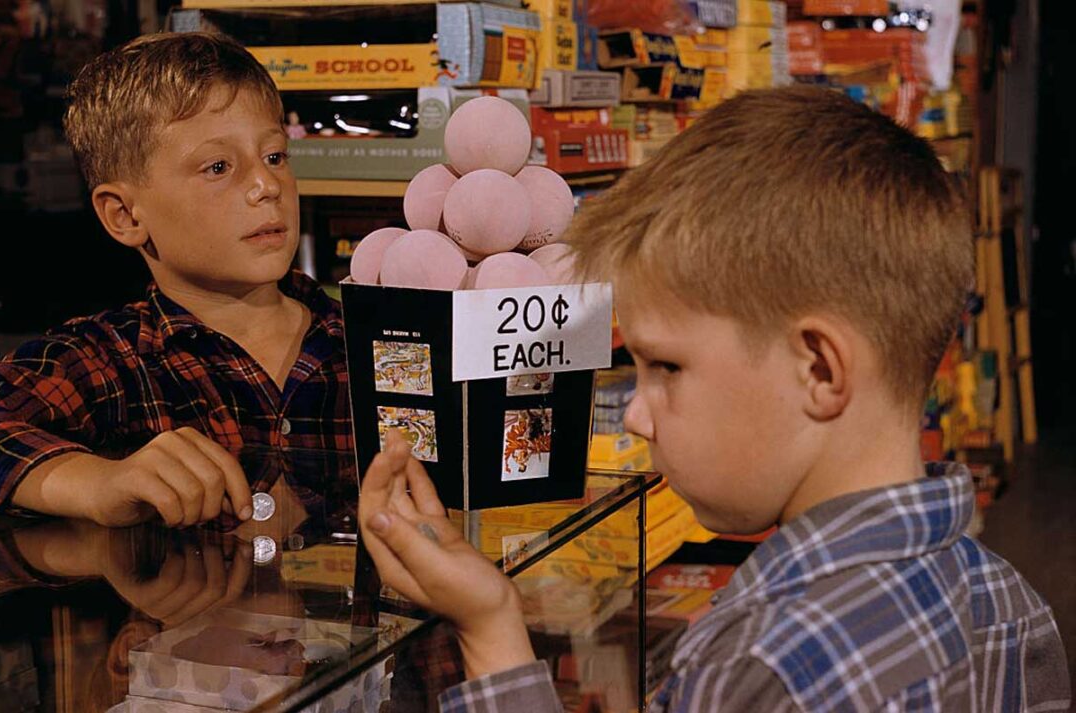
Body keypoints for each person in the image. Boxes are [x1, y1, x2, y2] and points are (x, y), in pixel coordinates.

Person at [357, 87, 1071, 710]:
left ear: (821, 370)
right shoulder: (1011, 602)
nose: (635, 413)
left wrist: (486, 631)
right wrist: (494, 621)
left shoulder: (758, 665)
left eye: (667, 367)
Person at [0, 32, 350, 527]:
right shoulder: (106, 361)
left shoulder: (369, 341)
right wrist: (98, 483)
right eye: (218, 167)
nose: (266, 186)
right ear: (124, 215)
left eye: (274, 156)